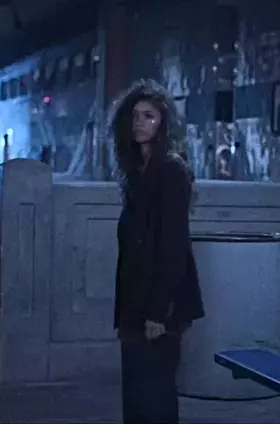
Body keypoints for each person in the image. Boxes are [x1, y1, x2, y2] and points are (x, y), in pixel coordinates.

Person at [111, 79, 205, 424]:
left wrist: (157, 312)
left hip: (160, 305)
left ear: (164, 123)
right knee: (136, 393)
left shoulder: (171, 170)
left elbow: (173, 246)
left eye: (149, 116)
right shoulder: (137, 172)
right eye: (135, 116)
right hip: (135, 301)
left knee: (156, 396)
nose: (140, 123)